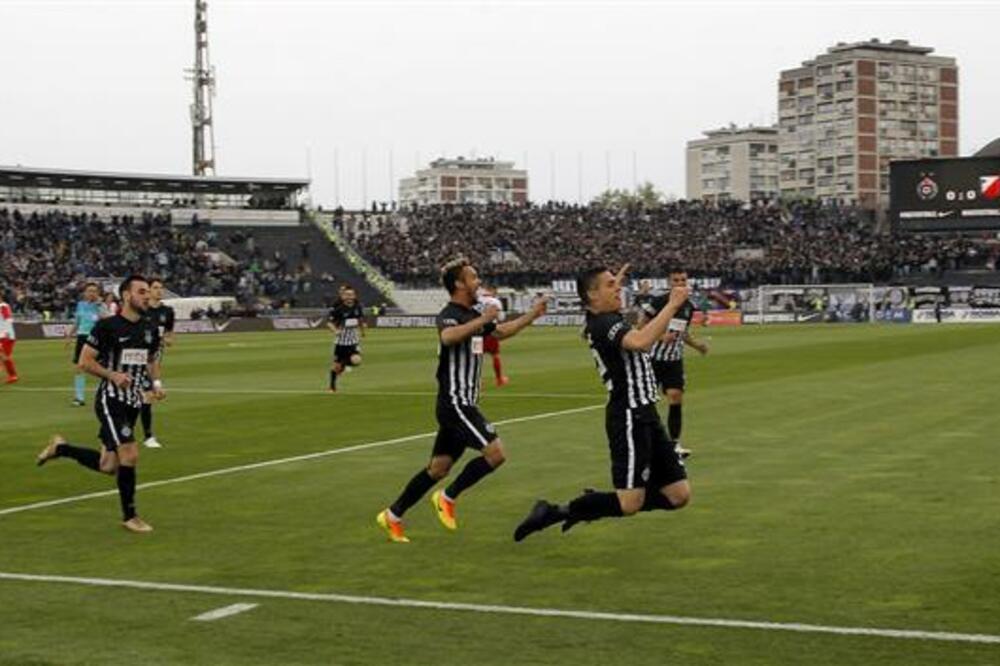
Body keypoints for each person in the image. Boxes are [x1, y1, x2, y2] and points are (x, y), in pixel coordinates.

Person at [513, 266, 691, 542]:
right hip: (629, 416)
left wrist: (614, 282)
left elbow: (615, 312)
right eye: (610, 285)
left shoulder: (606, 317)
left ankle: (594, 503)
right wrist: (672, 305)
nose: (618, 287)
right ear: (592, 294)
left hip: (647, 414)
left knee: (679, 495)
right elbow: (641, 341)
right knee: (629, 503)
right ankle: (559, 511)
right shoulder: (604, 323)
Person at [377, 257, 548, 543]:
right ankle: (447, 497)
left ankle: (392, 515)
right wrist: (483, 319)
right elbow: (448, 337)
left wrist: (532, 315)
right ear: (459, 283)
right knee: (496, 454)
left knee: (438, 469)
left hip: (462, 403)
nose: (478, 282)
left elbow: (501, 332)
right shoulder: (450, 314)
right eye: (473, 277)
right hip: (455, 404)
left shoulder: (473, 314)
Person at [36, 275, 163, 533]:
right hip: (111, 399)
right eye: (141, 292)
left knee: (109, 466)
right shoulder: (107, 327)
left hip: (133, 402)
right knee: (130, 454)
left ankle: (60, 449)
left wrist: (156, 385)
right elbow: (85, 361)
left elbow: (150, 360)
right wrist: (112, 375)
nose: (147, 296)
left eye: (148, 292)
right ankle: (130, 517)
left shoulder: (149, 327)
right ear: (126, 295)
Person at [635, 269, 708, 459]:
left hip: (674, 360)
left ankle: (674, 444)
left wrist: (697, 346)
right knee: (646, 402)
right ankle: (645, 443)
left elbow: (683, 333)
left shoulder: (689, 306)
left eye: (683, 280)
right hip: (652, 359)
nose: (680, 283)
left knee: (675, 397)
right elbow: (641, 327)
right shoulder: (658, 302)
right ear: (670, 282)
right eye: (676, 280)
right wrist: (661, 337)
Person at [140, 278, 175, 448]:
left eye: (161, 288)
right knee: (143, 396)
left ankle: (148, 437)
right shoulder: (141, 310)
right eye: (155, 287)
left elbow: (169, 333)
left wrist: (167, 339)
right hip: (136, 357)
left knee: (147, 396)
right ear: (148, 290)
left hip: (153, 356)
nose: (159, 290)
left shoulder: (167, 311)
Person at [66, 282, 104, 406]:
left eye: (94, 291)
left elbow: (106, 319)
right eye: (89, 291)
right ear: (85, 293)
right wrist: (70, 335)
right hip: (82, 337)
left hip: (95, 338)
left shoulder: (100, 305)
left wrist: (99, 306)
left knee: (100, 367)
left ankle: (106, 390)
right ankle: (79, 398)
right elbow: (77, 321)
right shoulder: (80, 305)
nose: (92, 293)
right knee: (79, 367)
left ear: (98, 293)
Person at [326, 285, 365, 392]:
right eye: (347, 295)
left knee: (356, 360)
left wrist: (362, 331)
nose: (349, 297)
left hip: (353, 341)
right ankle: (332, 386)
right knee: (336, 367)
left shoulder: (357, 307)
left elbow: (360, 319)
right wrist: (335, 331)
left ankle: (344, 364)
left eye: (351, 295)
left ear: (354, 296)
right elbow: (329, 323)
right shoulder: (339, 310)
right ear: (343, 296)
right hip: (341, 343)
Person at [476, 285, 508, 386]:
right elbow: (501, 318)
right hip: (490, 331)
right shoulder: (495, 301)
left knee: (476, 358)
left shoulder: (476, 300)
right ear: (492, 290)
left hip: (476, 331)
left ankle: (477, 381)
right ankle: (499, 379)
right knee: (495, 355)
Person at [0, 289, 18, 384]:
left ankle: (13, 375)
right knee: (3, 355)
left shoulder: (3, 306)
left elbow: (8, 319)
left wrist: (7, 332)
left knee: (5, 356)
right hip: (2, 335)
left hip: (6, 336)